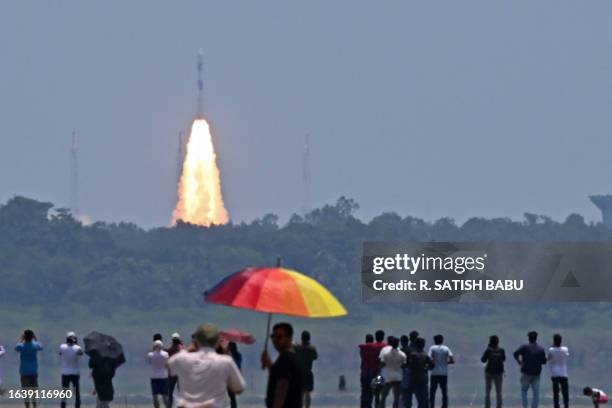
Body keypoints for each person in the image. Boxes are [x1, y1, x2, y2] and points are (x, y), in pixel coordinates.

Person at [167, 324, 245, 408]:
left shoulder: (184, 358)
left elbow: (169, 367)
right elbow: (239, 388)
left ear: (196, 341)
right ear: (216, 342)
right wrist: (224, 351)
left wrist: (188, 349)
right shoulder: (225, 361)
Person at [261, 322, 304, 408]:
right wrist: (269, 364)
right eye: (273, 336)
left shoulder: (286, 359)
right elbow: (279, 376)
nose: (275, 339)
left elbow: (282, 386)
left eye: (279, 336)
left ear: (289, 338)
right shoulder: (290, 356)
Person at [513, 331, 546, 408]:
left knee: (524, 390)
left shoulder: (525, 347)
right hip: (536, 374)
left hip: (526, 372)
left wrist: (519, 362)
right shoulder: (541, 349)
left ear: (529, 338)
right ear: (536, 338)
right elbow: (544, 362)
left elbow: (515, 354)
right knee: (536, 393)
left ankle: (525, 406)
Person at [15, 329, 43, 408]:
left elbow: (16, 348)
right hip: (33, 371)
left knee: (25, 391)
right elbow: (41, 346)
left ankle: (27, 406)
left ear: (25, 336)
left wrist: (21, 339)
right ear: (32, 337)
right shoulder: (35, 345)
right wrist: (35, 338)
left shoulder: (21, 346)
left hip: (24, 371)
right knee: (34, 391)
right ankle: (34, 406)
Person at [378, 336, 406, 408]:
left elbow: (381, 364)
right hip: (398, 377)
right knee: (396, 396)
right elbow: (404, 365)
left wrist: (378, 377)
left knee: (383, 395)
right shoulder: (402, 354)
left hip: (386, 377)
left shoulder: (385, 353)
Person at [405, 337, 433, 408]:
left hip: (413, 378)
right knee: (423, 399)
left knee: (409, 398)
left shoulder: (412, 355)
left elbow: (409, 365)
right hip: (423, 378)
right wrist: (426, 368)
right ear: (423, 345)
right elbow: (432, 365)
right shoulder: (425, 355)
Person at [428, 335, 454, 408]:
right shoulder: (446, 348)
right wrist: (445, 362)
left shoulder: (432, 348)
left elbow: (429, 358)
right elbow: (452, 360)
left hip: (434, 373)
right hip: (444, 373)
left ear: (434, 340)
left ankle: (431, 405)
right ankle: (444, 406)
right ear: (442, 340)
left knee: (432, 391)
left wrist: (433, 362)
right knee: (444, 391)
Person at [59, 332, 83, 408]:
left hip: (65, 373)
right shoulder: (78, 348)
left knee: (64, 392)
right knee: (76, 393)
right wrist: (76, 343)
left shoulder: (62, 347)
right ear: (75, 339)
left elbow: (60, 353)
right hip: (75, 373)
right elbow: (81, 353)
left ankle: (63, 406)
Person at [294, 331, 318, 408]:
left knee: (300, 393)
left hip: (299, 373)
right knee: (308, 394)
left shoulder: (297, 347)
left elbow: (292, 349)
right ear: (309, 338)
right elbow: (315, 357)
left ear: (301, 338)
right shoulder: (312, 349)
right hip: (308, 373)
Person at [481, 335, 505, 408]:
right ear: (498, 342)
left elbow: (483, 360)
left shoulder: (488, 350)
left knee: (487, 391)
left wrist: (488, 348)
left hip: (489, 372)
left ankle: (487, 406)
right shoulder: (501, 350)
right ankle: (499, 405)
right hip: (499, 373)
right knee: (499, 391)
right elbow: (503, 359)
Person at [548, 334, 569, 408]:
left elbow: (548, 359)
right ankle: (566, 405)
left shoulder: (551, 350)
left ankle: (556, 406)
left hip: (554, 374)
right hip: (563, 374)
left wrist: (552, 346)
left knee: (556, 392)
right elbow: (566, 355)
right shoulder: (565, 349)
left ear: (554, 341)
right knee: (565, 392)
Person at [148, 340, 170, 408]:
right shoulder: (165, 354)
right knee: (165, 396)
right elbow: (167, 364)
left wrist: (152, 349)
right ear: (162, 346)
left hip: (154, 377)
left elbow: (150, 362)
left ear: (154, 346)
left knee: (155, 397)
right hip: (164, 377)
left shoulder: (150, 355)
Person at [359, 334, 378, 408]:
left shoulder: (362, 349)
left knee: (364, 391)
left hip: (363, 373)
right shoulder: (374, 349)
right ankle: (369, 406)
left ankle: (363, 406)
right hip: (373, 373)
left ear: (366, 340)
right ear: (373, 340)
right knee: (371, 391)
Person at [401, 331, 419, 408]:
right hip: (414, 374)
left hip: (402, 375)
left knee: (405, 395)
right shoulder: (417, 349)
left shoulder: (402, 350)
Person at [166, 333, 184, 408]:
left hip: (173, 373)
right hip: (179, 373)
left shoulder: (170, 348)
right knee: (181, 391)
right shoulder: (182, 347)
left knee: (170, 391)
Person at [227, 342, 243, 408]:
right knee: (231, 396)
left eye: (230, 346)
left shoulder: (237, 355)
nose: (229, 348)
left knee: (232, 396)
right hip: (230, 376)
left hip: (232, 377)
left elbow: (237, 365)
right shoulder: (237, 355)